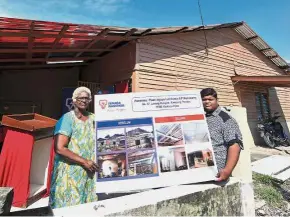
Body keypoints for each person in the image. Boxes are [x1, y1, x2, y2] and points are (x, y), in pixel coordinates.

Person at [49, 87, 98, 209]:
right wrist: (84, 161)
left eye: (87, 98)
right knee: (70, 206)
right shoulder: (67, 119)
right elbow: (60, 148)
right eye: (81, 98)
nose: (84, 100)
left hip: (89, 171)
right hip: (71, 172)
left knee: (87, 205)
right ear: (74, 100)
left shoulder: (93, 118)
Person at [200, 88, 243, 182]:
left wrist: (227, 170)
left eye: (210, 99)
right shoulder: (202, 118)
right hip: (201, 169)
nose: (207, 102)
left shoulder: (225, 119)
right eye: (204, 100)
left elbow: (235, 145)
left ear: (216, 100)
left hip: (218, 173)